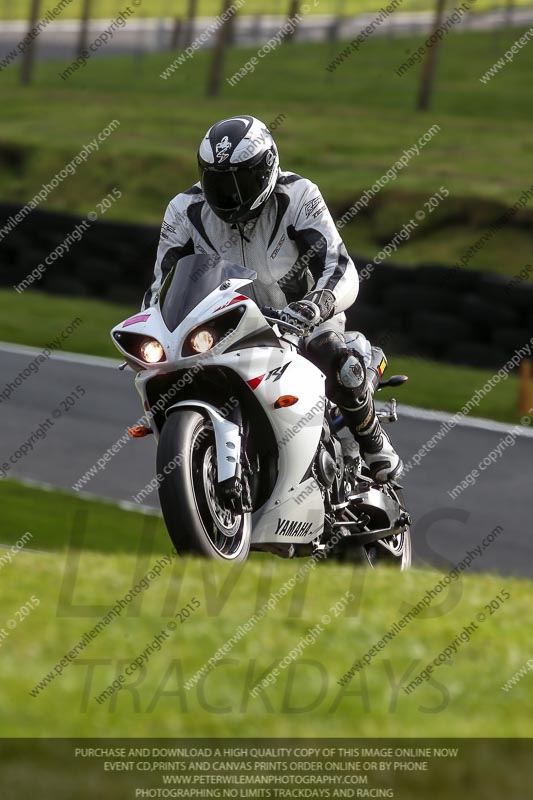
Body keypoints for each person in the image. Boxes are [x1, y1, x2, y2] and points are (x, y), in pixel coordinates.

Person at [142, 115, 402, 483]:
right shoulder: (184, 209)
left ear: (266, 169)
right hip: (228, 325)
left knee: (334, 356)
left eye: (241, 181)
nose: (229, 195)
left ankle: (374, 442)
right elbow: (161, 285)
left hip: (303, 318)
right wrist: (154, 330)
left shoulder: (298, 195)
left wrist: (317, 304)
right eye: (218, 182)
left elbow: (339, 265)